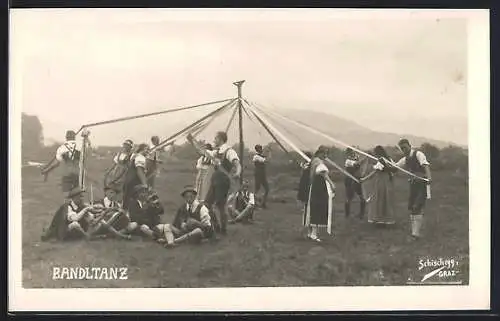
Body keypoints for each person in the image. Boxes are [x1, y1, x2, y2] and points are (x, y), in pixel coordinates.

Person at [187, 131, 241, 236]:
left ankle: (223, 230)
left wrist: (238, 173)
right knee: (207, 204)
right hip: (215, 178)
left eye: (215, 138)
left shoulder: (230, 151)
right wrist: (192, 140)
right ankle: (216, 226)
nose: (214, 140)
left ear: (220, 139)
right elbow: (201, 151)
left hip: (223, 180)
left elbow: (237, 164)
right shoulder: (216, 152)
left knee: (220, 205)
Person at [395, 139, 432, 240]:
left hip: (422, 184)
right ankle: (414, 232)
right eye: (402, 148)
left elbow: (425, 165)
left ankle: (415, 234)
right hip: (413, 185)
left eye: (405, 147)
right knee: (412, 207)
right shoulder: (405, 159)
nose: (404, 150)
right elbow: (395, 167)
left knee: (417, 207)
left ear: (409, 146)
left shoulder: (418, 154)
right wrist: (384, 162)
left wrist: (429, 178)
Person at [304, 146, 336, 242]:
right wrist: (332, 183)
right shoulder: (318, 162)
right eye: (324, 153)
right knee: (318, 208)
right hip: (318, 188)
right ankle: (314, 234)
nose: (325, 155)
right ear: (319, 153)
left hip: (315, 187)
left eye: (326, 153)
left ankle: (310, 233)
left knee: (314, 207)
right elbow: (323, 174)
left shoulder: (314, 160)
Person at [360, 146, 397, 225]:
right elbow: (394, 169)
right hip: (388, 181)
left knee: (380, 198)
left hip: (382, 181)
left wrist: (364, 179)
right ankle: (385, 219)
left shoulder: (381, 160)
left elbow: (375, 172)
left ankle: (381, 220)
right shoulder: (389, 159)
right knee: (385, 199)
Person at [41, 130, 82, 195]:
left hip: (66, 174)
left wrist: (47, 170)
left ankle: (69, 201)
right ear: (74, 137)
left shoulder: (61, 148)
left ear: (66, 137)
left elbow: (56, 163)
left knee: (66, 195)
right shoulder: (80, 147)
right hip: (77, 174)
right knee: (77, 195)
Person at [122, 143, 150, 210]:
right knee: (135, 202)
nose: (148, 151)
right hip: (134, 182)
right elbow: (139, 171)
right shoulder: (140, 158)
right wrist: (144, 184)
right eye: (147, 149)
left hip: (128, 181)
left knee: (127, 201)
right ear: (142, 149)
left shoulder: (134, 156)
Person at [344, 147, 367, 219]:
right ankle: (347, 215)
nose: (353, 154)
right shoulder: (348, 161)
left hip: (357, 179)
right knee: (349, 197)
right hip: (349, 180)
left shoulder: (357, 157)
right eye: (351, 153)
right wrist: (365, 157)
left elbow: (360, 164)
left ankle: (361, 214)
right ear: (348, 154)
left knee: (362, 197)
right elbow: (357, 164)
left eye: (353, 152)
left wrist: (366, 156)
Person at [298, 152, 313, 226]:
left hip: (308, 179)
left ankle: (306, 205)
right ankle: (304, 205)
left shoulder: (310, 164)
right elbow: (302, 167)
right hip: (304, 179)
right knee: (303, 191)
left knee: (307, 192)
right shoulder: (304, 163)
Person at [253, 144, 270, 209]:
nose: (262, 149)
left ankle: (263, 203)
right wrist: (269, 153)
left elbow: (266, 160)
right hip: (258, 174)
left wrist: (268, 153)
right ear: (258, 149)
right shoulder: (256, 157)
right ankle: (253, 203)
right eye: (261, 148)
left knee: (267, 189)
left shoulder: (261, 156)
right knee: (257, 189)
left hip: (262, 174)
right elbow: (265, 160)